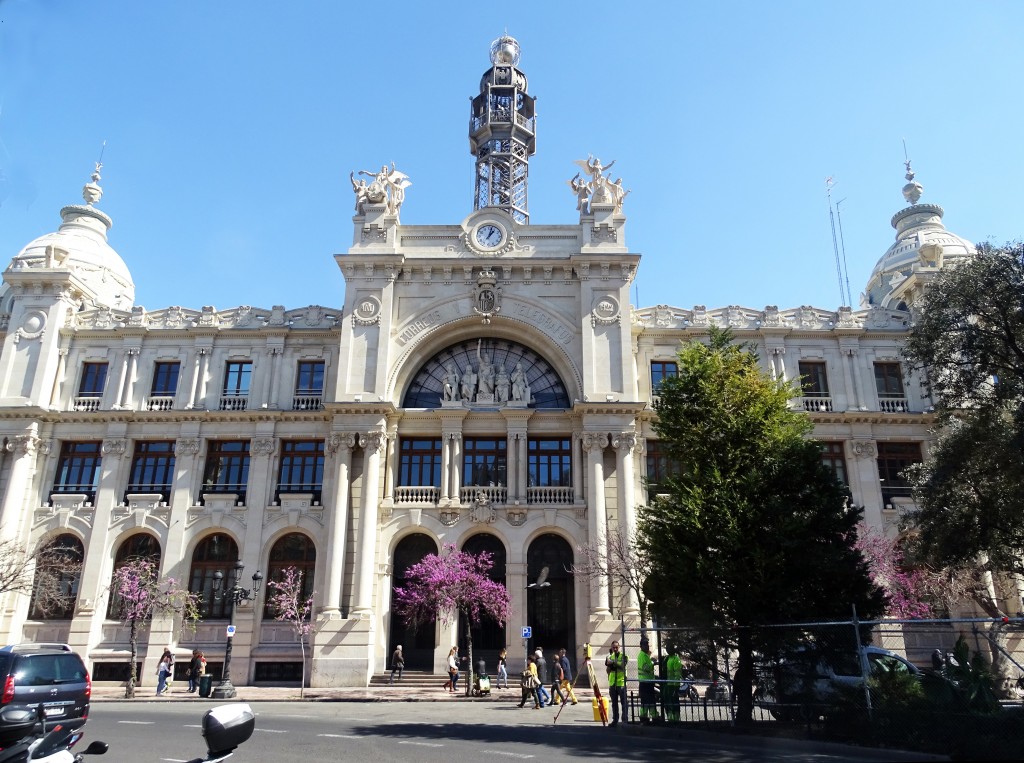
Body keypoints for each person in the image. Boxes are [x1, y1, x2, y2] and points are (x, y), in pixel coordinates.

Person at [605, 640, 628, 726]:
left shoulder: (624, 656)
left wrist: (613, 663)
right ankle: (615, 720)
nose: (615, 649)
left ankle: (624, 720)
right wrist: (609, 665)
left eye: (616, 647)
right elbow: (608, 670)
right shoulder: (610, 656)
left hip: (621, 683)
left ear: (619, 647)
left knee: (624, 702)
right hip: (612, 683)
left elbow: (622, 666)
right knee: (614, 703)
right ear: (611, 648)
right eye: (613, 647)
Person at [637, 638, 657, 723]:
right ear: (641, 646)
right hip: (645, 682)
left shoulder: (645, 655)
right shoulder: (642, 655)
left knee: (647, 700)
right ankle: (649, 716)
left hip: (647, 682)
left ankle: (646, 716)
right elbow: (646, 668)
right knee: (648, 700)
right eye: (645, 645)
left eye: (647, 645)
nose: (647, 646)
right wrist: (652, 662)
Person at [664, 644, 683, 722]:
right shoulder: (667, 658)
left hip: (673, 685)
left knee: (674, 702)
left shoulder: (676, 659)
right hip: (667, 684)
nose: (668, 650)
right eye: (667, 649)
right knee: (668, 701)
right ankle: (670, 718)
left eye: (669, 648)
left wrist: (676, 686)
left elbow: (677, 674)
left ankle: (676, 719)